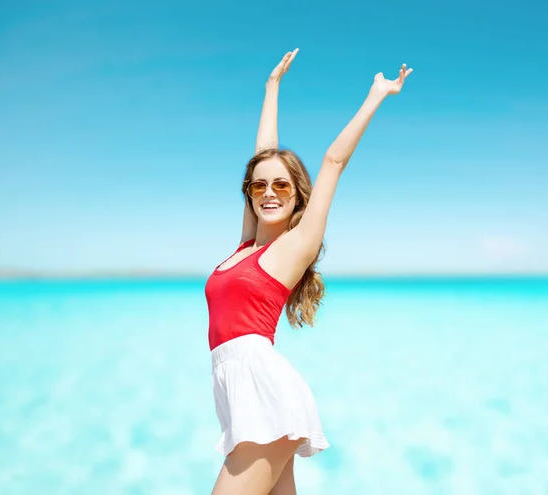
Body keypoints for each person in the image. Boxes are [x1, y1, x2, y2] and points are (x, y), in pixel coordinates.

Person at [205, 49, 412, 495]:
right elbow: (263, 154)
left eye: (282, 185)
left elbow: (334, 161)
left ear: (299, 195)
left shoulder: (293, 249)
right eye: (259, 186)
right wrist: (271, 87)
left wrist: (377, 94)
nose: (269, 192)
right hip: (238, 392)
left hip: (265, 393)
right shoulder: (245, 246)